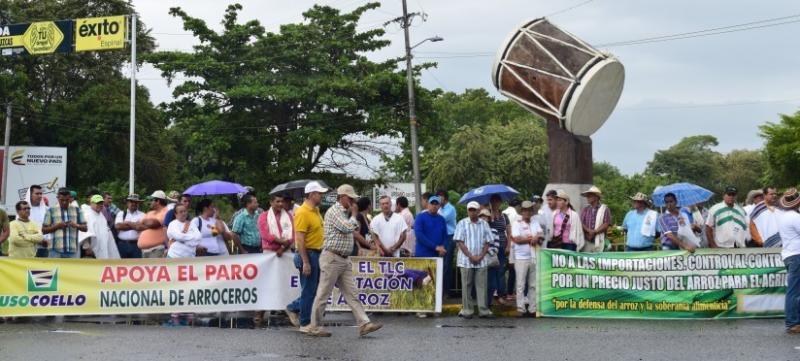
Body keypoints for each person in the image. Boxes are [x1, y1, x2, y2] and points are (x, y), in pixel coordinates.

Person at [307, 184, 383, 337]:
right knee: (323, 294)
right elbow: (348, 228)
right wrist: (355, 214)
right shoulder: (334, 211)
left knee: (352, 293)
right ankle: (314, 326)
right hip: (332, 257)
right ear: (342, 197)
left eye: (354, 198)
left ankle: (364, 324)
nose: (353, 201)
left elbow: (351, 232)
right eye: (351, 198)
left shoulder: (344, 213)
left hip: (343, 258)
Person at [286, 181, 327, 331]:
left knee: (314, 290)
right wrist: (306, 262)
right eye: (319, 193)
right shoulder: (302, 212)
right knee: (309, 290)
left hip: (316, 253)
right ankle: (305, 323)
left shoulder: (315, 211)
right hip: (308, 254)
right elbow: (300, 239)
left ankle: (295, 309)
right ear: (311, 195)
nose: (321, 196)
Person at [454, 201, 494, 319]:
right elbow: (460, 242)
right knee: (467, 286)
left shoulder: (484, 224)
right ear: (467, 211)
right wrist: (471, 256)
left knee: (482, 286)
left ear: (478, 211)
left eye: (474, 210)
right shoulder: (462, 223)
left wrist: (481, 255)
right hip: (466, 260)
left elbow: (488, 241)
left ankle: (483, 310)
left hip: (481, 259)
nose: (472, 212)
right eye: (470, 209)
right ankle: (467, 310)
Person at [413, 195, 448, 318]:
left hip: (437, 256)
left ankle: (432, 306)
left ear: (439, 206)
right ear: (428, 204)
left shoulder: (441, 219)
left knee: (435, 282)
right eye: (432, 203)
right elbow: (419, 235)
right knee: (421, 282)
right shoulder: (420, 217)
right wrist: (435, 247)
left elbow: (445, 235)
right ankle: (420, 308)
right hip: (423, 255)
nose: (434, 205)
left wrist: (443, 247)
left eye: (436, 203)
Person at [510, 201, 543, 316]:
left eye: (529, 210)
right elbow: (517, 239)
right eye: (525, 210)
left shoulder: (535, 222)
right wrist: (531, 239)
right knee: (520, 284)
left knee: (533, 284)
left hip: (534, 256)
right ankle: (520, 308)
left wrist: (537, 237)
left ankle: (532, 309)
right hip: (521, 258)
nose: (527, 212)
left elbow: (541, 235)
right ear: (522, 211)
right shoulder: (516, 223)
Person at [777, 188, 800, 333]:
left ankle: (794, 322)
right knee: (794, 291)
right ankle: (792, 323)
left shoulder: (784, 216)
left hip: (789, 254)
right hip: (797, 255)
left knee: (795, 290)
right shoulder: (795, 217)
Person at [42, 188, 88, 258]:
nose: (64, 202)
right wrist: (57, 226)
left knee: (72, 269)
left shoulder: (77, 210)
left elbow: (85, 228)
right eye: (62, 200)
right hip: (55, 250)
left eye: (67, 200)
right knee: (55, 269)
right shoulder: (51, 210)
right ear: (57, 198)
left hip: (72, 250)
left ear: (70, 198)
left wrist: (76, 225)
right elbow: (43, 230)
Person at [487, 194, 511, 306]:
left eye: (497, 201)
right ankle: (491, 295)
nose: (495, 203)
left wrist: (509, 245)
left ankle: (501, 295)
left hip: (502, 245)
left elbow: (509, 232)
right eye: (493, 201)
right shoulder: (487, 215)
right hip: (491, 247)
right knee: (491, 271)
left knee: (501, 270)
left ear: (500, 203)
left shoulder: (504, 216)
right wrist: (490, 217)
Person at [436, 189, 458, 296]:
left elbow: (440, 220)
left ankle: (446, 291)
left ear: (445, 197)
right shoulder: (440, 209)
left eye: (440, 197)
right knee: (440, 264)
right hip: (441, 238)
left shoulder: (451, 209)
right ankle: (441, 289)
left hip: (450, 237)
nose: (438, 199)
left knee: (447, 265)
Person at [137, 190, 170, 258]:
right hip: (144, 251)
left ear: (158, 201)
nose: (150, 202)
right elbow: (138, 226)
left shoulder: (166, 211)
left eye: (152, 200)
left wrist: (145, 222)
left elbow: (153, 223)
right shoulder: (150, 212)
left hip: (157, 250)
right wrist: (148, 224)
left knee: (156, 269)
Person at [580, 186, 611, 253]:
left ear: (596, 197)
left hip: (599, 240)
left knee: (599, 262)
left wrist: (594, 232)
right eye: (587, 196)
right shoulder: (585, 209)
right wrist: (588, 231)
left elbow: (606, 224)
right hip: (587, 240)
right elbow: (581, 223)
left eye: (589, 196)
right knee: (586, 261)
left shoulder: (604, 209)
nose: (587, 198)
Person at [114, 194, 146, 258]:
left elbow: (141, 227)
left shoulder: (143, 215)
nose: (134, 203)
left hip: (136, 245)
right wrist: (135, 225)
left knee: (136, 266)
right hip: (122, 245)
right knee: (121, 265)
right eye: (131, 201)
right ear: (127, 203)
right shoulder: (121, 213)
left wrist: (127, 223)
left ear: (138, 203)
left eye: (136, 202)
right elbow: (118, 226)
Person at [26, 185, 50, 257]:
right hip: (27, 247)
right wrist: (38, 240)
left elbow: (50, 227)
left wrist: (46, 240)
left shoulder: (47, 210)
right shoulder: (23, 209)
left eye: (41, 194)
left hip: (44, 248)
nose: (39, 196)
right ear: (30, 195)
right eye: (37, 194)